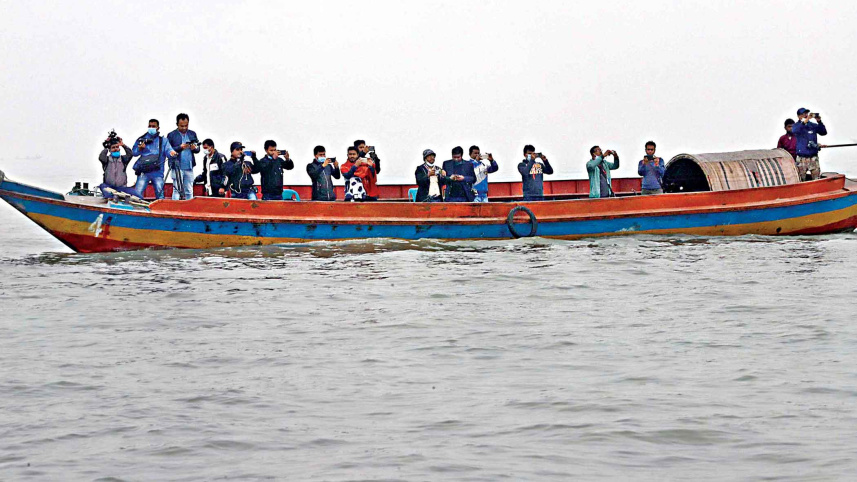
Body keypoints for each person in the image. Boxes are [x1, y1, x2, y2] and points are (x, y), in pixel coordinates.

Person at [131, 119, 170, 199]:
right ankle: (137, 209)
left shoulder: (163, 140)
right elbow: (134, 153)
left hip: (157, 172)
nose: (151, 128)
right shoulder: (141, 139)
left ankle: (160, 209)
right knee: (137, 193)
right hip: (144, 171)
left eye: (153, 126)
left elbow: (169, 150)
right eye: (150, 126)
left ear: (158, 128)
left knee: (160, 194)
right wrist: (140, 149)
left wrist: (172, 153)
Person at [166, 113, 201, 200]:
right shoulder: (171, 135)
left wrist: (194, 148)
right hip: (176, 167)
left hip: (189, 167)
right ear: (177, 124)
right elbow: (168, 150)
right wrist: (179, 147)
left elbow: (198, 149)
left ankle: (189, 208)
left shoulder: (192, 134)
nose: (184, 128)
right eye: (182, 126)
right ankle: (175, 209)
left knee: (189, 190)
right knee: (176, 189)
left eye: (186, 125)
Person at [792, 107, 828, 181]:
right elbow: (795, 131)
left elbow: (823, 132)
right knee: (800, 180)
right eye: (803, 114)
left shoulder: (812, 125)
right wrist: (805, 120)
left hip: (813, 157)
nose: (805, 115)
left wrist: (819, 121)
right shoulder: (796, 125)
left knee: (816, 179)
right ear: (798, 116)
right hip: (802, 158)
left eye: (806, 113)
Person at [97, 133, 137, 199]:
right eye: (113, 148)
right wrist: (106, 146)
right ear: (110, 150)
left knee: (138, 196)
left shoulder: (124, 159)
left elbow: (130, 154)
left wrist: (123, 145)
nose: (115, 149)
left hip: (122, 188)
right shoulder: (106, 160)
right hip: (109, 187)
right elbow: (101, 157)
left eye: (117, 147)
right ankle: (112, 197)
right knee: (102, 186)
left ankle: (119, 196)